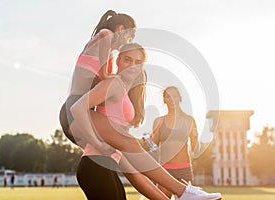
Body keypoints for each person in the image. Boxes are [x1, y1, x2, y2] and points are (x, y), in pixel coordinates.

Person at [70, 43, 222, 200]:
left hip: (107, 166)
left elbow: (134, 172)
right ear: (117, 62)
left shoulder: (124, 91)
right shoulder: (113, 84)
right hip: (95, 165)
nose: (132, 66)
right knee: (132, 144)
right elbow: (77, 109)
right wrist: (96, 141)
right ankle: (184, 191)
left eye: (138, 62)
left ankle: (184, 192)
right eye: (127, 60)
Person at [59, 10, 169, 200]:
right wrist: (119, 82)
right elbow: (106, 75)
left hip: (81, 109)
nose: (127, 41)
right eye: (130, 35)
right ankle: (181, 191)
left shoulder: (106, 52)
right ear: (120, 29)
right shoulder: (105, 35)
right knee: (127, 145)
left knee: (121, 155)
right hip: (75, 106)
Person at [150, 86, 200, 198]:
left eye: (175, 96)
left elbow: (195, 150)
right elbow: (155, 151)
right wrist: (149, 142)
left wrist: (195, 137)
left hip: (184, 170)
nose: (172, 99)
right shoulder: (159, 121)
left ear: (180, 98)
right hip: (165, 170)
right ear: (164, 100)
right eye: (168, 96)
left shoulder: (189, 120)